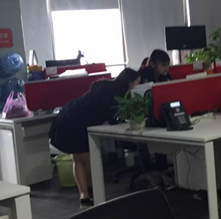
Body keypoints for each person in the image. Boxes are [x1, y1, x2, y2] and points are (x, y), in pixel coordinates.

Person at [49, 69, 141, 209]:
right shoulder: (117, 95)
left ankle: (85, 196)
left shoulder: (106, 86)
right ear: (129, 82)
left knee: (79, 159)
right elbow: (113, 118)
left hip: (68, 116)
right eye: (136, 83)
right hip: (76, 123)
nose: (137, 86)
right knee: (88, 161)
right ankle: (93, 195)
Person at [138, 49, 174, 190]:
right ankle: (150, 174)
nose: (166, 68)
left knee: (160, 140)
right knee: (141, 142)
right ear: (153, 64)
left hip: (159, 116)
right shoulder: (142, 77)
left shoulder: (166, 77)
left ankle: (163, 173)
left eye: (168, 64)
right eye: (163, 65)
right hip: (141, 117)